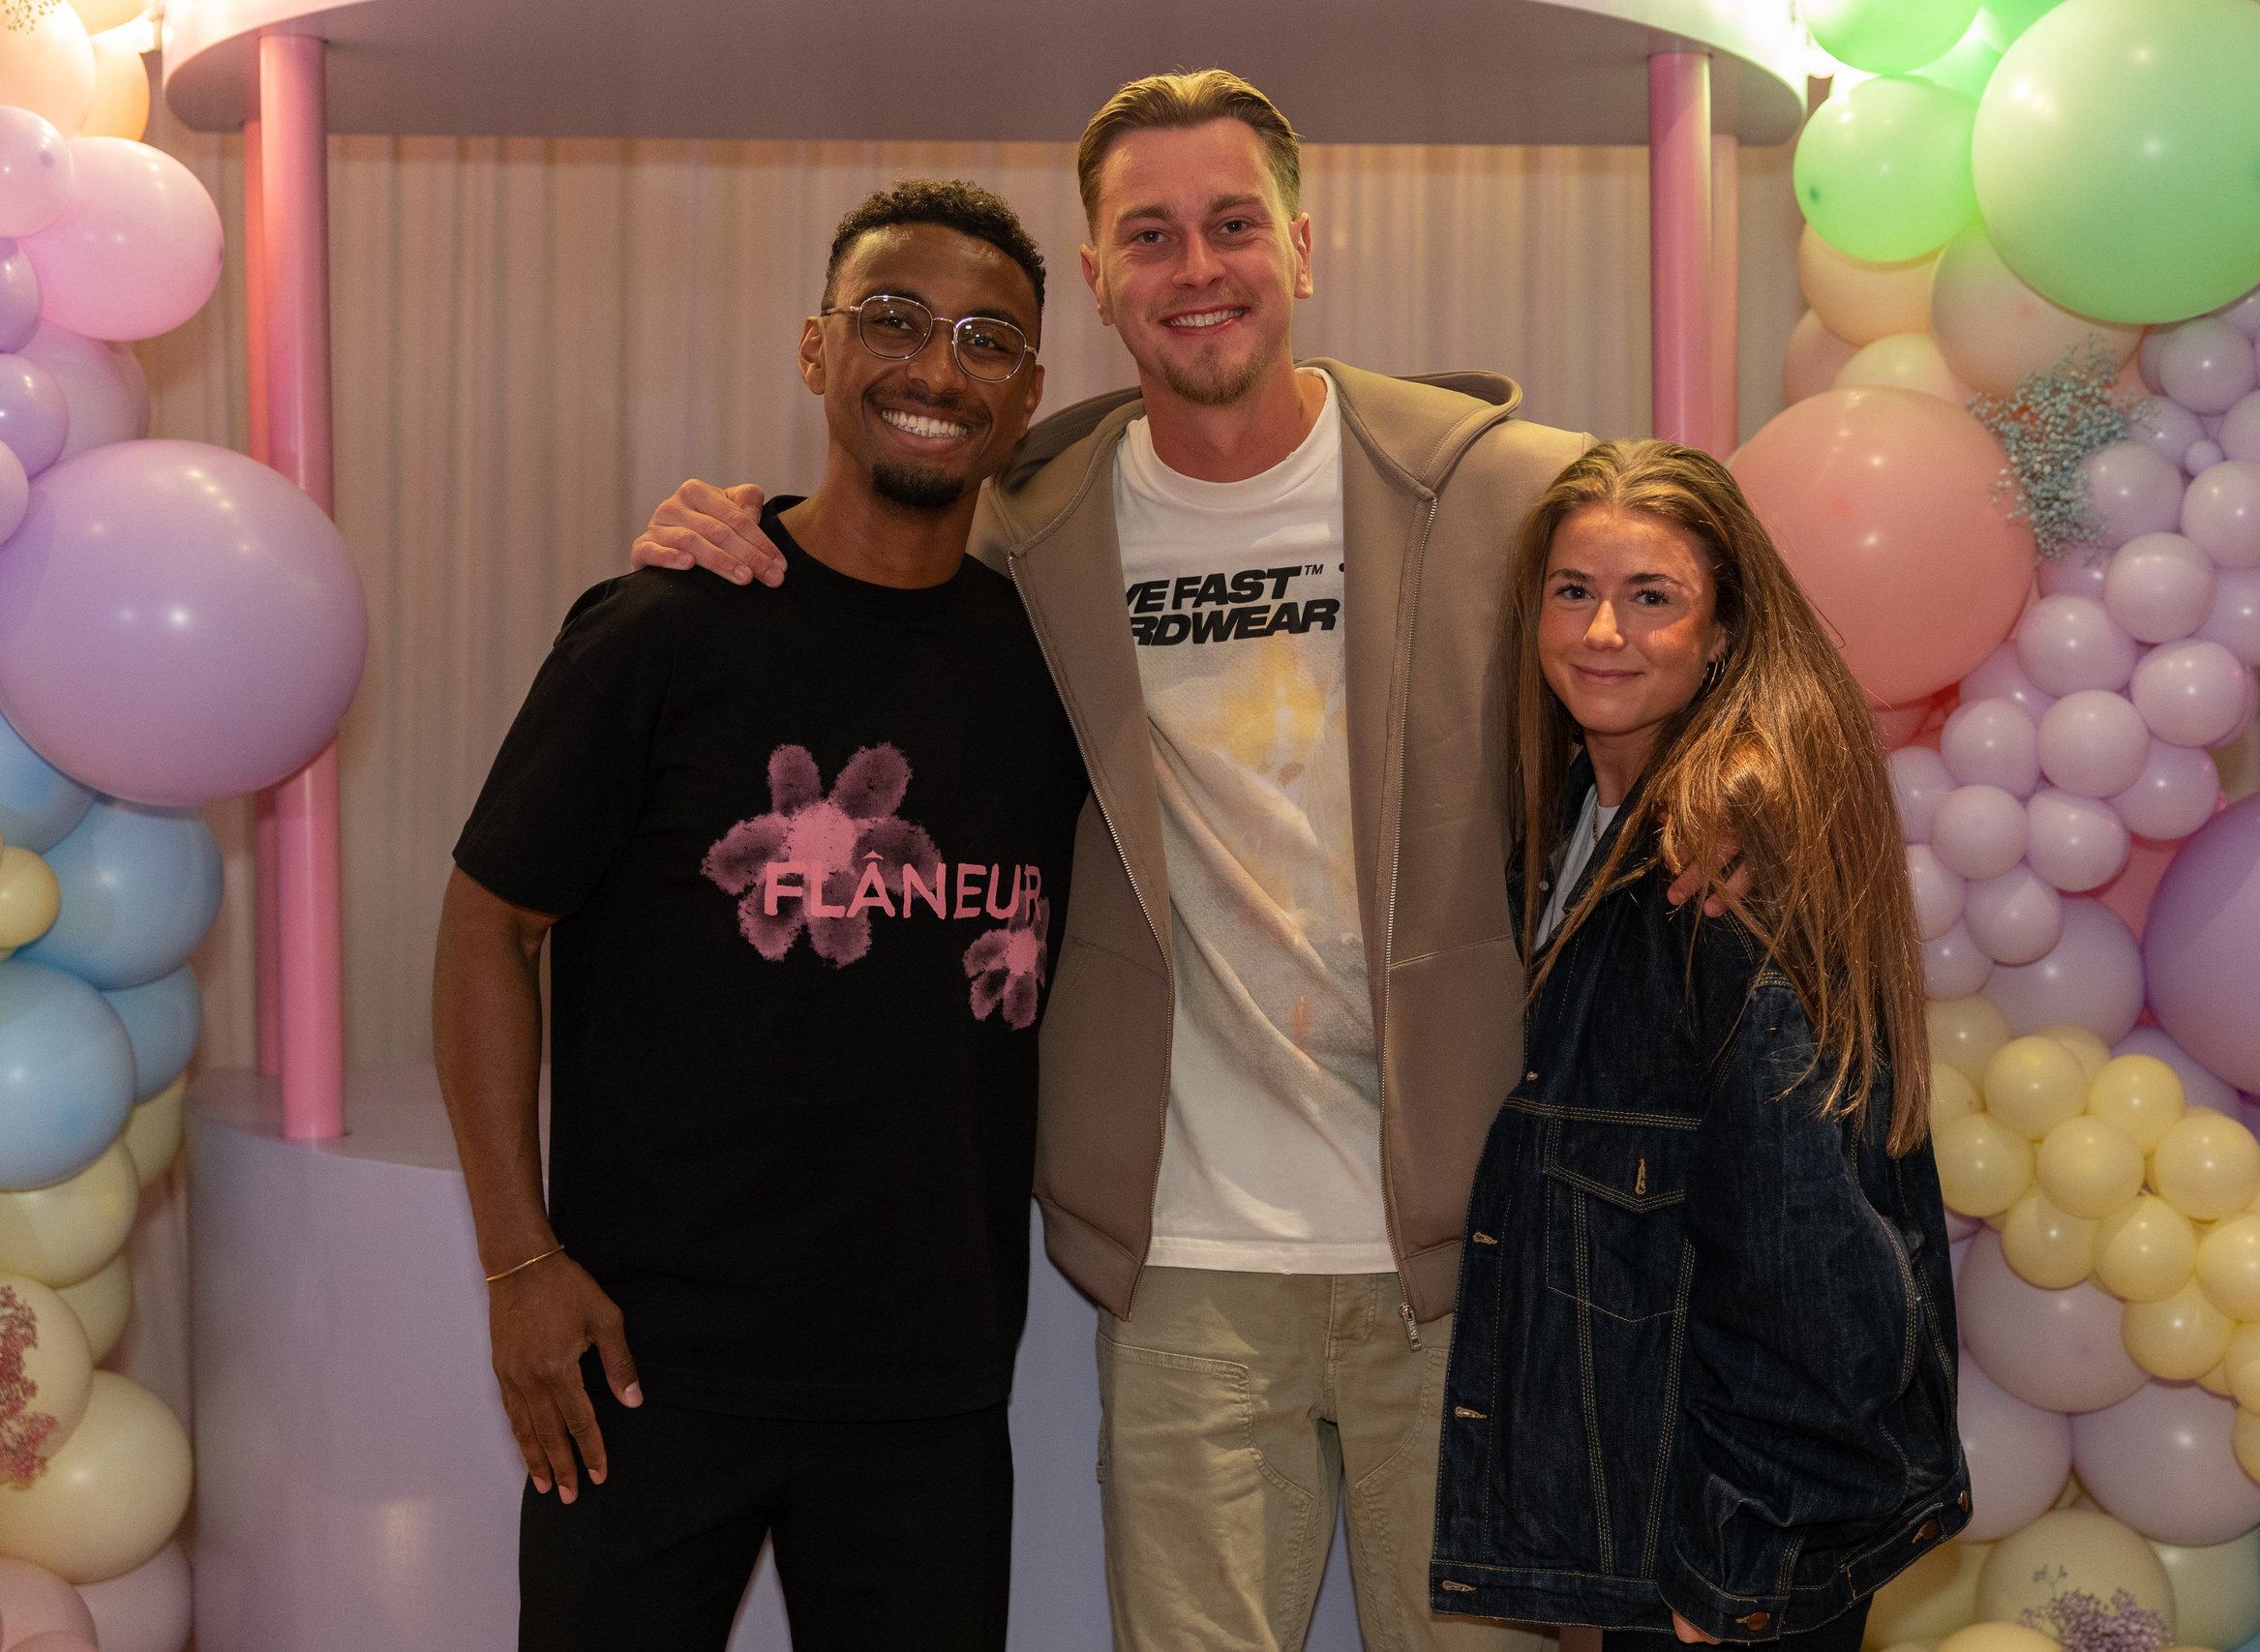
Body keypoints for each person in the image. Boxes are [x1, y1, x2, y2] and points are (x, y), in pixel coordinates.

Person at [625, 67, 1756, 1652]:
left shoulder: (1501, 490)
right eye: (1147, 235)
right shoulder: (1031, 523)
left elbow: (1705, 632)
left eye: (1233, 224)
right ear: (1096, 280)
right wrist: (724, 520)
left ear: (1304, 246)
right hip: (1190, 1263)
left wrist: (1712, 801)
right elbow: (863, 560)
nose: (1196, 266)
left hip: (1469, 1246)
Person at [433, 179, 1087, 1651]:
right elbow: (487, 922)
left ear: (1032, 391)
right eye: (892, 320)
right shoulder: (665, 628)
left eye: (988, 338)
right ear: (813, 350)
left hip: (927, 1383)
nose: (935, 368)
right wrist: (519, 1262)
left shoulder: (1052, 674)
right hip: (647, 1365)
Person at [1427, 439, 1966, 1649]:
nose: (1602, 631)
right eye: (1573, 590)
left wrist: (1739, 1557)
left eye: (1651, 597)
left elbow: (1811, 1240)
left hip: (1732, 1550)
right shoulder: (1571, 816)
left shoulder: (1721, 859)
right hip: (1644, 1507)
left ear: (1721, 631)